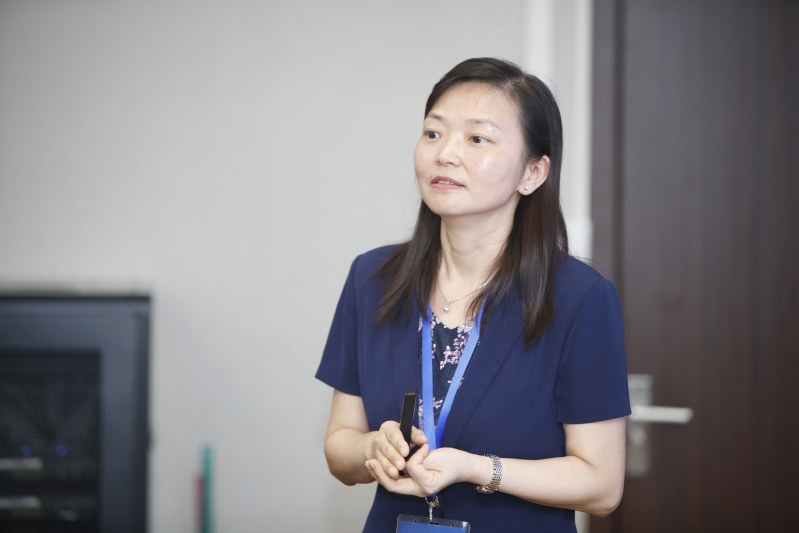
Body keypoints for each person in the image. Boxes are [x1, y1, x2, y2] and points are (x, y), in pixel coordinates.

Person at [316, 57, 630, 532]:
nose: (445, 154)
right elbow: (339, 446)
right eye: (433, 133)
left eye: (477, 138)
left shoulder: (580, 298)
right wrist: (371, 448)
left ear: (532, 173)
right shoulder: (372, 278)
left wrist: (477, 469)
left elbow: (602, 486)